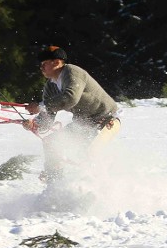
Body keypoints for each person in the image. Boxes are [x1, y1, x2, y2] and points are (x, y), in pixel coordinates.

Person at [24, 45, 120, 181]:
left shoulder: (72, 72)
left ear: (56, 62)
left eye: (44, 64)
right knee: (51, 142)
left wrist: (41, 105)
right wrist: (34, 124)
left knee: (88, 153)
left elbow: (71, 98)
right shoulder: (50, 86)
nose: (41, 68)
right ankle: (54, 181)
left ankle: (101, 185)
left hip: (106, 120)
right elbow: (47, 117)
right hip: (83, 123)